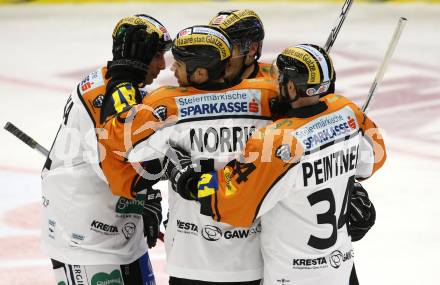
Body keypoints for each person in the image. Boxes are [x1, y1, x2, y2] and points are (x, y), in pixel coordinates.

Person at [165, 44, 386, 285]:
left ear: (291, 86)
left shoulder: (276, 142)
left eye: (279, 78)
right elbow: (373, 160)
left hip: (292, 276)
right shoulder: (348, 112)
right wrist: (345, 182)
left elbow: (232, 197)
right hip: (341, 269)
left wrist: (190, 181)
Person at [41, 14, 171, 285]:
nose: (162, 64)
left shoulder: (120, 86)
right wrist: (141, 197)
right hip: (85, 238)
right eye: (157, 54)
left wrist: (143, 197)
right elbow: (116, 170)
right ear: (140, 51)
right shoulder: (104, 96)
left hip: (116, 229)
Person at [209, 9, 271, 81]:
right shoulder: (199, 77)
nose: (219, 57)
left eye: (228, 48)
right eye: (214, 48)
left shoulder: (275, 82)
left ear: (252, 49)